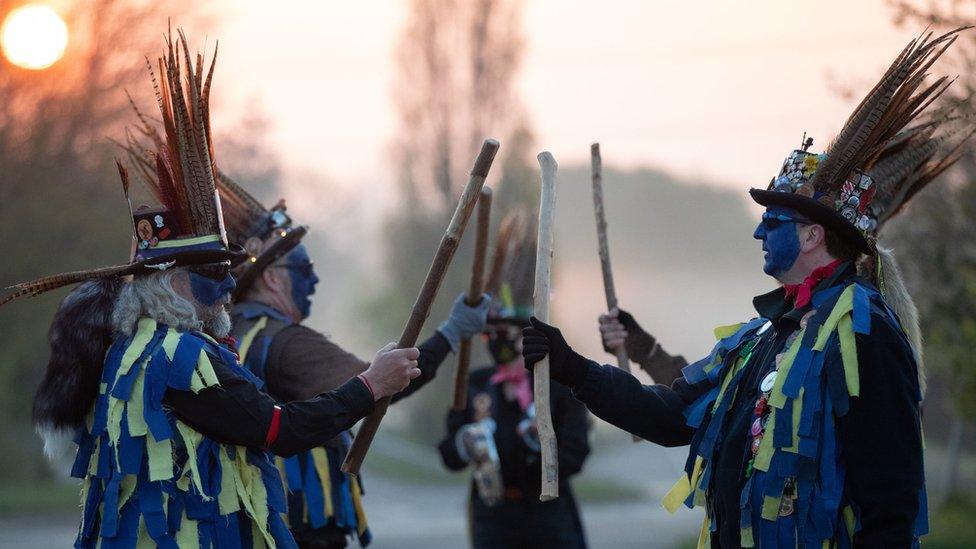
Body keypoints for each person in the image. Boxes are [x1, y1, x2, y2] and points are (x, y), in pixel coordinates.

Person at [520, 30, 970, 548]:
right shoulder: (762, 336)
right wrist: (571, 366)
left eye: (771, 220)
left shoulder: (866, 334)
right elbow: (670, 415)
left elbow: (890, 501)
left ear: (811, 235)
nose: (758, 232)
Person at [4, 31, 421, 548]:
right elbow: (276, 430)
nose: (228, 286)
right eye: (212, 276)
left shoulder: (131, 350)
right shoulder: (182, 358)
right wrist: (371, 385)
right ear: (174, 284)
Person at [212, 171, 489, 548]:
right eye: (304, 271)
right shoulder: (284, 342)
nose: (314, 281)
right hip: (301, 526)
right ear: (273, 279)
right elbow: (383, 382)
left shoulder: (233, 331)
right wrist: (451, 333)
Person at [438, 223, 591, 548]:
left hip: (549, 518)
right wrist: (466, 442)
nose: (494, 342)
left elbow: (577, 453)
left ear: (525, 334)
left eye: (502, 334)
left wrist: (543, 449)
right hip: (493, 518)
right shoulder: (475, 384)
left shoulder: (560, 385)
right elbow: (448, 454)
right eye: (488, 334)